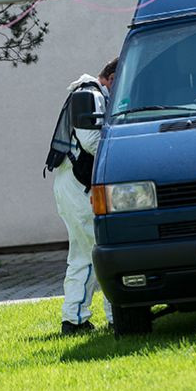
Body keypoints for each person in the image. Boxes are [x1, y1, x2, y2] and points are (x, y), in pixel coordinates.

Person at [54, 57, 117, 334]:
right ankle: (118, 314)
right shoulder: (90, 95)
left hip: (71, 184)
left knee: (82, 255)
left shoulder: (87, 94)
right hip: (77, 187)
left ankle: (74, 319)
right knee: (101, 252)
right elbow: (91, 142)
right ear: (112, 78)